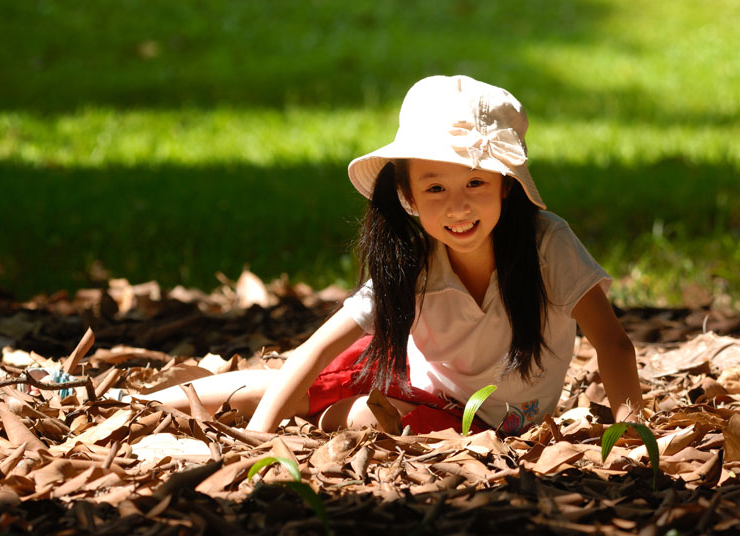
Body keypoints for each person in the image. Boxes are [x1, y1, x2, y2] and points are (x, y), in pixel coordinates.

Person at [135, 75, 643, 435]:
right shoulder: (414, 259)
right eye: (436, 187)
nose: (459, 205)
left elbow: (613, 344)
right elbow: (315, 350)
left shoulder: (547, 244)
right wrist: (259, 440)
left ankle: (328, 414)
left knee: (365, 419)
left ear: (506, 186)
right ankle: (132, 404)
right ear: (408, 194)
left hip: (486, 419)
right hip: (407, 369)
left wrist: (630, 437)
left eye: (475, 182)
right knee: (279, 388)